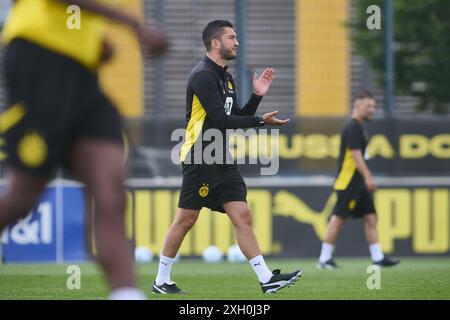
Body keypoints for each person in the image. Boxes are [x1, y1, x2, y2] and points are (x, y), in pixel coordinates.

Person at [0, 0, 168, 299]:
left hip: (84, 75)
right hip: (39, 56)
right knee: (22, 197)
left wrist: (95, 43)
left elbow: (76, 16)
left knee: (111, 193)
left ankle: (127, 294)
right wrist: (133, 24)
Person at [152, 20, 301, 295]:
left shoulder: (226, 77)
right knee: (186, 219)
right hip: (200, 155)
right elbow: (220, 120)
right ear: (215, 43)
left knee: (242, 214)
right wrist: (259, 122)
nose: (237, 42)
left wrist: (257, 97)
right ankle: (161, 279)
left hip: (220, 156)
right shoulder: (203, 75)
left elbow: (236, 116)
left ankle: (267, 279)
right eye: (232, 37)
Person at [317, 91, 400, 269]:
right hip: (348, 182)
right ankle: (324, 259)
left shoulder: (358, 126)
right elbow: (356, 155)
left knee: (371, 217)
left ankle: (378, 258)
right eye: (369, 106)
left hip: (357, 182)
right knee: (338, 219)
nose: (372, 110)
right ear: (357, 105)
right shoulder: (353, 127)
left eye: (374, 106)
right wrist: (369, 177)